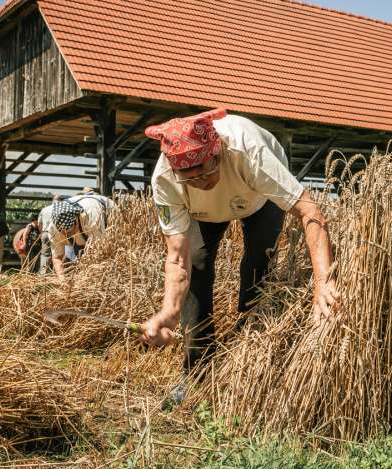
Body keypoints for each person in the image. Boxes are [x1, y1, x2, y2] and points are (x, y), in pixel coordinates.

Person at [141, 108, 338, 374]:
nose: (200, 182)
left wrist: (323, 283)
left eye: (205, 171)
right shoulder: (165, 179)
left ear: (217, 151)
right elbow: (177, 258)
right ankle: (197, 370)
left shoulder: (249, 152)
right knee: (197, 265)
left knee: (257, 265)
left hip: (259, 199)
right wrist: (169, 312)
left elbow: (310, 212)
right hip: (204, 213)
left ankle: (246, 357)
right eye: (190, 177)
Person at [47, 193, 114, 278]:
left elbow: (101, 252)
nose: (67, 235)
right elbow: (57, 257)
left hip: (109, 216)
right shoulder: (53, 229)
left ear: (77, 221)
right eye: (64, 233)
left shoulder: (92, 218)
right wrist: (62, 280)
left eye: (70, 232)